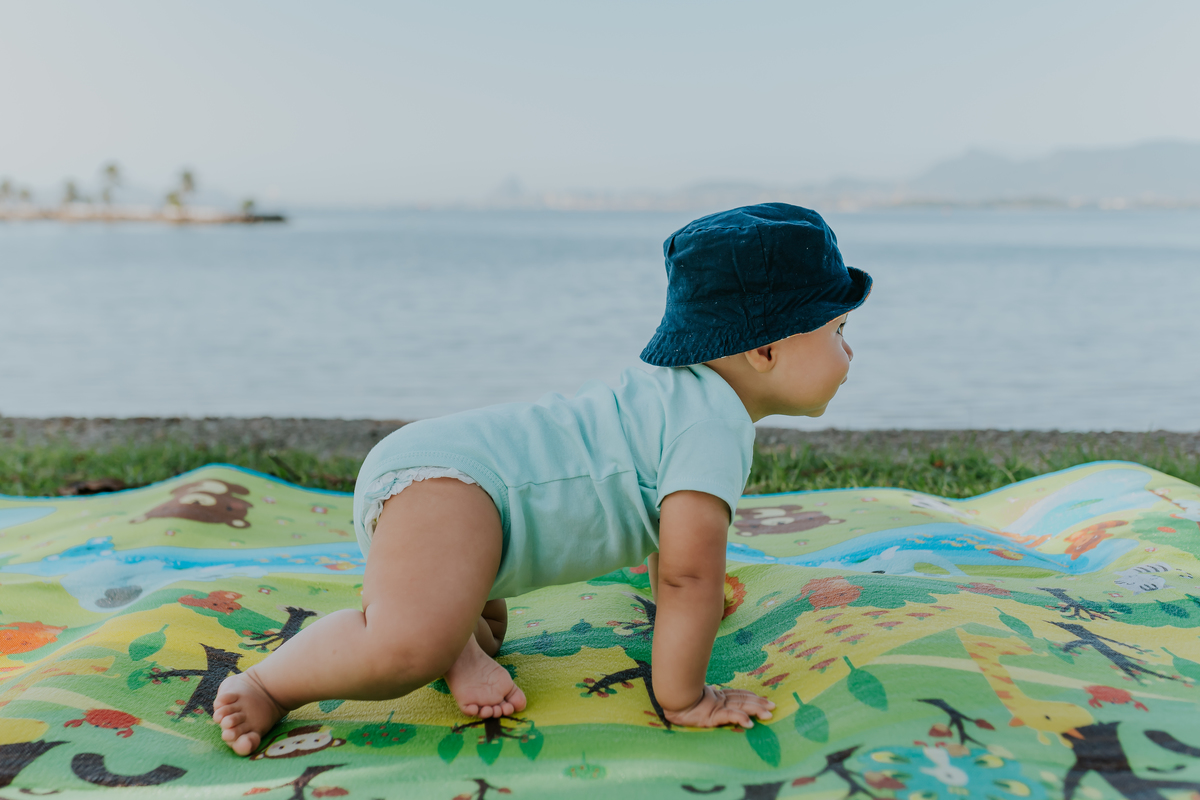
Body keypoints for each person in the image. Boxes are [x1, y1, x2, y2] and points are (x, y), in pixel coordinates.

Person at [213, 202, 872, 757]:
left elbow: (672, 545)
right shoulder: (713, 425)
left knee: (484, 628)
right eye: (838, 329)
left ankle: (461, 643)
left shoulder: (680, 394)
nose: (849, 350)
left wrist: (687, 600)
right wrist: (686, 696)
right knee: (406, 648)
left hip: (461, 490)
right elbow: (686, 577)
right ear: (766, 349)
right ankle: (269, 685)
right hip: (454, 492)